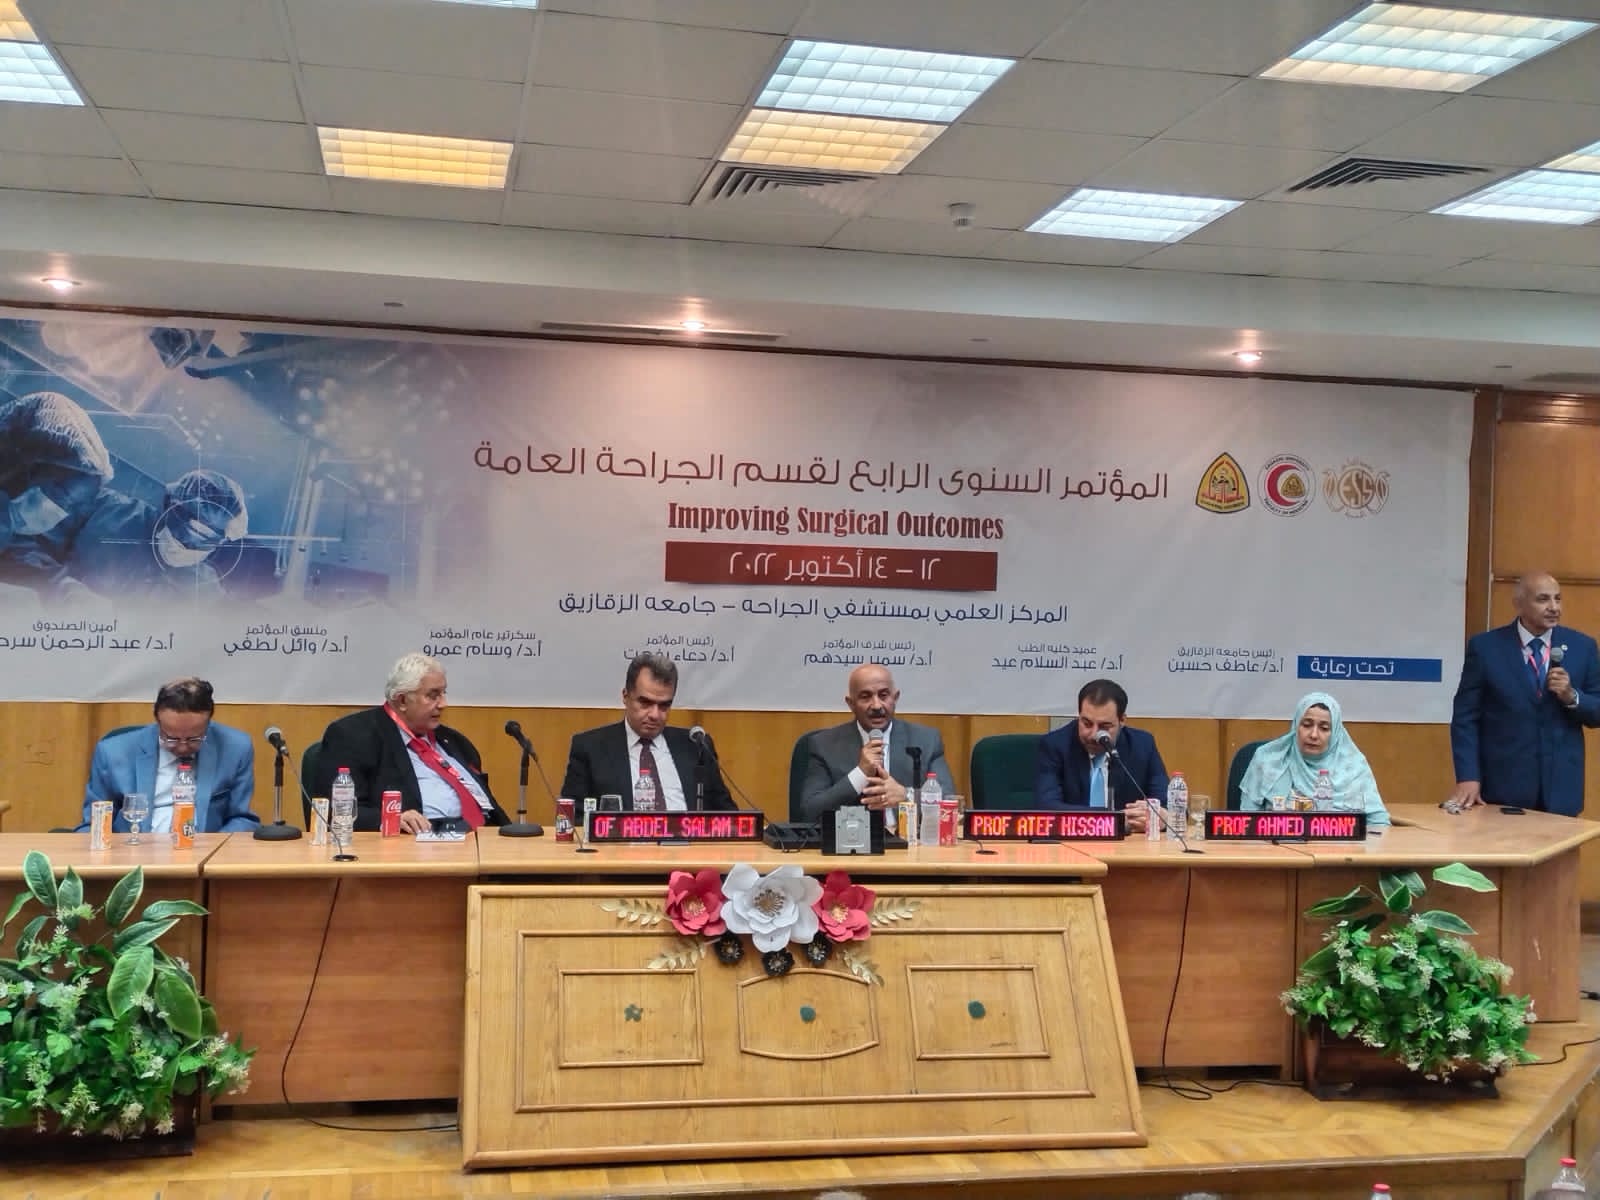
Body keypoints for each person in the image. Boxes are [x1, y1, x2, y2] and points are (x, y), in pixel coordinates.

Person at [1448, 571, 1600, 816]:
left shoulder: (1583, 647)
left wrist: (1572, 697)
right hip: (1503, 789)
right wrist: (1468, 777)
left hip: (1561, 791)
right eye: (1543, 599)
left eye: (1558, 599)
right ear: (1519, 604)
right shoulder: (1486, 648)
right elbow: (1466, 718)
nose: (1553, 607)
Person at [316, 651, 508, 832]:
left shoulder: (455, 741)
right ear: (402, 701)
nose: (443, 704)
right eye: (433, 695)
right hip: (418, 842)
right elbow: (336, 810)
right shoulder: (353, 735)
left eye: (443, 693)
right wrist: (389, 819)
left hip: (484, 837)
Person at [80, 676, 259, 834]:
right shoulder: (113, 752)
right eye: (171, 738)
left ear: (208, 724)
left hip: (204, 854)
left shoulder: (235, 748)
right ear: (157, 722)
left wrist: (212, 848)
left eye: (194, 739)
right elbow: (93, 825)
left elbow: (242, 819)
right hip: (135, 853)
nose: (182, 747)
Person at [560, 652, 735, 810]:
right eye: (645, 703)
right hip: (622, 837)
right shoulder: (590, 748)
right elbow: (574, 817)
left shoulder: (696, 746)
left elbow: (728, 815)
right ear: (625, 696)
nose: (655, 715)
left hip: (687, 836)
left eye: (664, 705)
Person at [795, 662, 954, 826]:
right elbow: (810, 812)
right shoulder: (824, 745)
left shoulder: (926, 740)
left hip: (907, 838)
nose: (877, 705)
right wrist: (860, 774)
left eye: (883, 695)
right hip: (851, 838)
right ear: (851, 703)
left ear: (895, 698)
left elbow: (949, 803)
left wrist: (906, 796)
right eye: (865, 697)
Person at [1237, 691, 1390, 827]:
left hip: (1340, 848)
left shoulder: (1354, 766)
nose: (1314, 735)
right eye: (1307, 725)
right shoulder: (1267, 760)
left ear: (1335, 733)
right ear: (1296, 725)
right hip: (1276, 846)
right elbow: (1246, 820)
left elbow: (1378, 822)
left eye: (1324, 728)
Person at [1035, 678, 1166, 833]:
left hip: (1128, 844)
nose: (1094, 735)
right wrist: (1114, 819)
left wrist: (1163, 817)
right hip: (1073, 841)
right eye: (1087, 724)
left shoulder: (1142, 745)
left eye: (1105, 726)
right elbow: (1046, 807)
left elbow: (1170, 805)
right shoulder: (1055, 745)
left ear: (1122, 720)